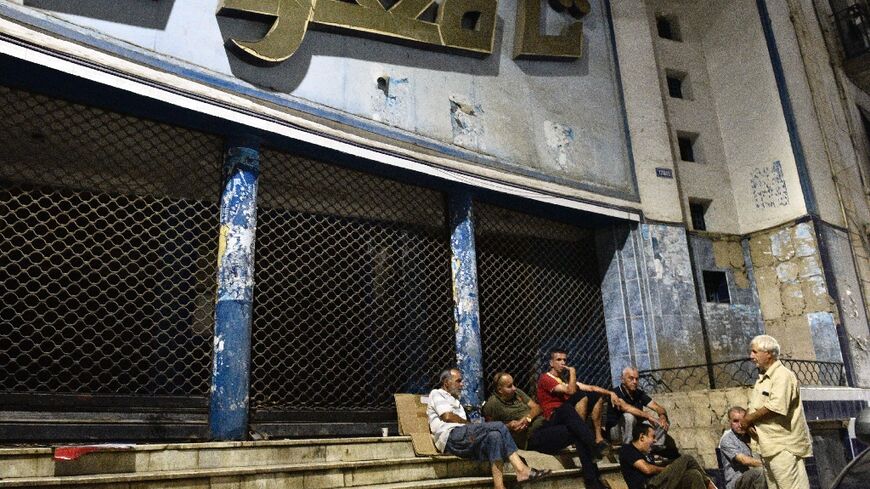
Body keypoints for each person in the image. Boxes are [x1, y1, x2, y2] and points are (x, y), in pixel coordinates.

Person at [427, 368, 551, 489]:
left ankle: (499, 486)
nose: (462, 384)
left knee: (494, 436)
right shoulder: (437, 393)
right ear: (446, 382)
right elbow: (447, 416)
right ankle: (521, 469)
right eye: (458, 381)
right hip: (449, 436)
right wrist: (471, 425)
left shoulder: (456, 401)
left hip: (463, 438)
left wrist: (471, 427)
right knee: (499, 425)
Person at [483, 371, 606, 489]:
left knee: (567, 409)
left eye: (513, 384)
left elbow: (537, 407)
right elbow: (490, 427)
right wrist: (509, 425)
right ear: (500, 390)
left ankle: (593, 452)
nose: (514, 388)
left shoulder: (517, 393)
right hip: (532, 438)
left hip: (544, 424)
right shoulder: (492, 404)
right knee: (575, 431)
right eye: (509, 386)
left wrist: (527, 418)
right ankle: (592, 474)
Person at [739, 335, 812, 489]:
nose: (751, 356)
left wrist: (748, 420)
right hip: (768, 445)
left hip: (783, 447)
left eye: (755, 352)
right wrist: (748, 420)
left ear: (769, 353)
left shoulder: (782, 375)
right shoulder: (763, 378)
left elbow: (776, 407)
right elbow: (756, 405)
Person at [536, 349, 613, 457]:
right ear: (551, 363)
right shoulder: (545, 378)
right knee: (580, 395)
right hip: (554, 416)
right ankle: (579, 435)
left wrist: (610, 393)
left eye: (564, 360)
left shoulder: (565, 380)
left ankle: (598, 437)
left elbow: (591, 387)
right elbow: (571, 391)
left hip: (569, 414)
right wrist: (572, 373)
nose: (563, 363)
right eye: (558, 360)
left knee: (596, 396)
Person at [619, 423, 717, 489]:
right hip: (648, 485)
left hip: (659, 483)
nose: (655, 441)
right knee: (687, 458)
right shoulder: (627, 450)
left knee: (694, 474)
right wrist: (668, 469)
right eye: (652, 437)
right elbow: (647, 469)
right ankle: (711, 486)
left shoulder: (647, 453)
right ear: (642, 437)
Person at [607, 366, 677, 458]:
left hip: (635, 428)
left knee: (662, 422)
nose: (635, 382)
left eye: (636, 379)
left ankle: (653, 448)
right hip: (616, 431)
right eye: (631, 378)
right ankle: (627, 449)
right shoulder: (615, 393)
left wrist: (662, 416)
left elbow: (657, 407)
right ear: (622, 379)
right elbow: (626, 408)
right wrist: (648, 416)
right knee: (629, 416)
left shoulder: (639, 393)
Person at [719, 406, 765, 489]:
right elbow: (744, 460)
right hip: (737, 482)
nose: (740, 424)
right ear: (730, 422)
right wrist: (769, 465)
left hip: (754, 479)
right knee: (760, 472)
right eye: (735, 421)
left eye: (743, 420)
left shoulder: (752, 436)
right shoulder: (727, 439)